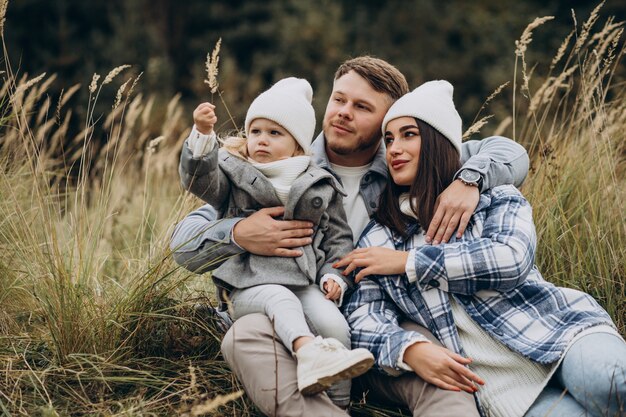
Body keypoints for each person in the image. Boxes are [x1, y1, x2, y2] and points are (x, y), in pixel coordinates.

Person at [171, 56, 530, 416]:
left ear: (386, 123)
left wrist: (470, 180)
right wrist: (238, 234)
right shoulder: (281, 164)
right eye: (339, 100)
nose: (344, 112)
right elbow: (184, 243)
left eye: (362, 107)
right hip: (300, 317)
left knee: (438, 366)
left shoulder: (402, 162)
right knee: (245, 336)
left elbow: (510, 152)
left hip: (385, 316)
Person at [337, 80, 626, 417]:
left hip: (560, 333)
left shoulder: (491, 197)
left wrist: (409, 262)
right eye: (389, 139)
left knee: (611, 384)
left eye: (409, 134)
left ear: (437, 140)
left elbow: (511, 260)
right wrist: (408, 349)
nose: (394, 149)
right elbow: (363, 317)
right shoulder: (379, 237)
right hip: (503, 390)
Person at [179, 77, 375, 405]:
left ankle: (340, 404)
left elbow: (338, 238)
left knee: (333, 323)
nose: (262, 141)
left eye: (274, 133)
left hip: (304, 283)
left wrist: (334, 276)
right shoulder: (233, 173)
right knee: (280, 300)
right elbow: (200, 181)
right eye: (255, 131)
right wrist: (201, 136)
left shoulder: (320, 184)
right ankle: (307, 353)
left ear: (298, 144)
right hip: (248, 287)